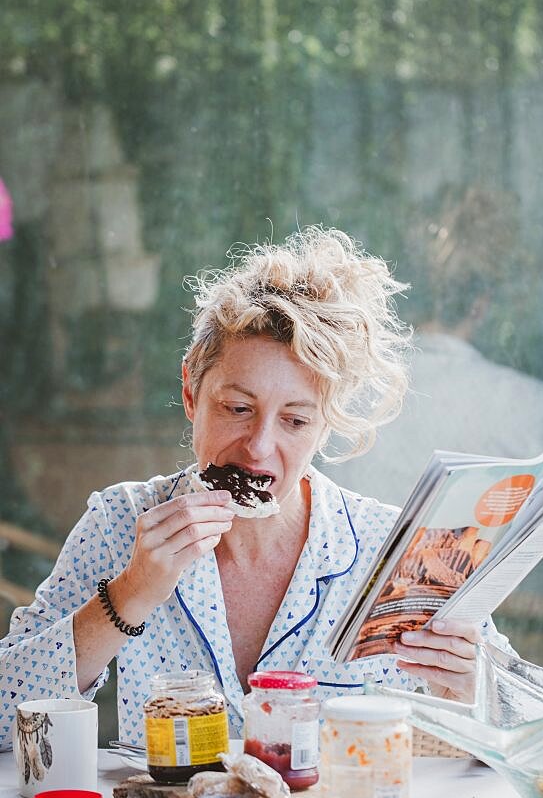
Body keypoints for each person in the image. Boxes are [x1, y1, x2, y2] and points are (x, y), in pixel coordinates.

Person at [0, 227, 512, 749]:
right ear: (191, 395)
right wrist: (130, 595)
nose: (259, 447)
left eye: (294, 421)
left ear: (325, 426)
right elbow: (2, 716)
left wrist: (475, 689)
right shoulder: (118, 523)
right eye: (238, 409)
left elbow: (532, 730)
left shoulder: (397, 553)